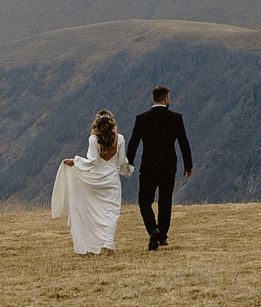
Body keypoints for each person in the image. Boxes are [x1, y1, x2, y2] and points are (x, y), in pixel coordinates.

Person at [51, 110, 132, 254]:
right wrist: (128, 171)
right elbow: (121, 162)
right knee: (111, 212)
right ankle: (108, 243)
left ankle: (96, 243)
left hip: (97, 179)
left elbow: (92, 161)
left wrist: (75, 161)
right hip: (112, 180)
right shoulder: (120, 139)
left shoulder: (93, 139)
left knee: (96, 212)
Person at [127, 85, 193, 251]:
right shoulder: (175, 118)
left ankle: (153, 230)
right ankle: (162, 235)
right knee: (165, 201)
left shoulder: (142, 119)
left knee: (144, 201)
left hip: (148, 166)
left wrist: (129, 162)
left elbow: (133, 143)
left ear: (154, 98)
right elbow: (183, 142)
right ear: (166, 98)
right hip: (168, 166)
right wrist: (188, 165)